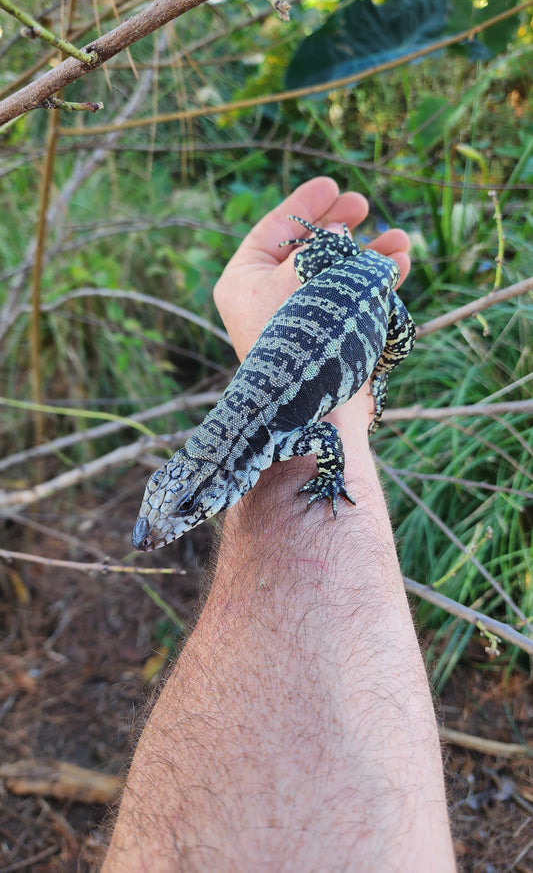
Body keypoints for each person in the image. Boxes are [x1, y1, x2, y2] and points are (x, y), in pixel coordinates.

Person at [103, 177, 456, 872]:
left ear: (213, 484)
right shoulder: (243, 437)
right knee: (367, 262)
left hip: (366, 286)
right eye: (164, 509)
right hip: (344, 280)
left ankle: (351, 284)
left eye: (175, 512)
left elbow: (328, 442)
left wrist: (364, 401)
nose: (153, 534)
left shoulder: (277, 435)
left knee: (395, 328)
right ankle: (336, 248)